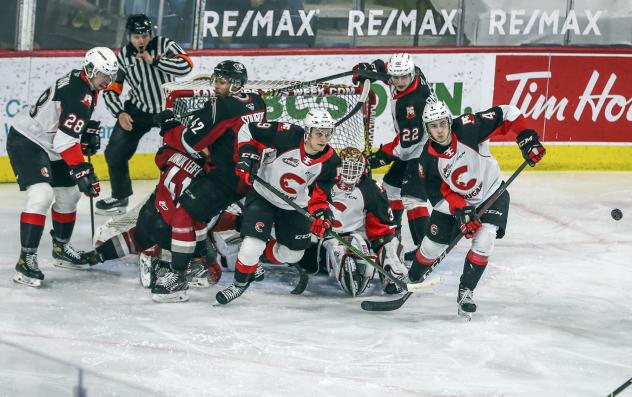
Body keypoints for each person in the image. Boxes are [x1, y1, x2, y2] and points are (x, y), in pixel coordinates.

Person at [408, 99, 546, 319]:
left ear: (449, 121)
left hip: (491, 193)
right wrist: (461, 211)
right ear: (427, 129)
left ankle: (466, 292)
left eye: (443, 123)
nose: (440, 130)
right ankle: (413, 278)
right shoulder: (427, 160)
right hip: (456, 205)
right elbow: (437, 198)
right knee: (432, 247)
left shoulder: (468, 127)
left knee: (485, 239)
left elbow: (508, 112)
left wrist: (526, 138)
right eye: (434, 126)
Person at [6, 47, 118, 287]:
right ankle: (26, 261)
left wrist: (83, 131)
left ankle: (61, 248)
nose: (107, 81)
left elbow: (64, 128)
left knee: (70, 194)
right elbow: (65, 140)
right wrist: (82, 170)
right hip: (28, 140)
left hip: (51, 143)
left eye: (110, 76)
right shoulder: (80, 93)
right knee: (41, 194)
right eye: (104, 76)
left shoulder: (85, 81)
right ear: (90, 70)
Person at [215, 110, 341, 305]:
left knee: (294, 253)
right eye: (319, 133)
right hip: (263, 196)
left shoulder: (331, 162)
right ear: (307, 132)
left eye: (327, 133)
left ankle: (258, 258)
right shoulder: (287, 134)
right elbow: (248, 129)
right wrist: (247, 157)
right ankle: (240, 284)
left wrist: (322, 216)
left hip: (294, 206)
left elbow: (321, 197)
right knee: (252, 245)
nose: (324, 138)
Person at [98, 13, 193, 214]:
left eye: (144, 35)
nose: (141, 40)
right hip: (138, 109)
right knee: (114, 152)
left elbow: (186, 65)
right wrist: (120, 113)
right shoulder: (123, 56)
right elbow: (111, 88)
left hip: (170, 108)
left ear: (151, 34)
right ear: (129, 36)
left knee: (189, 150)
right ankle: (120, 196)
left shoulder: (165, 45)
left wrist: (155, 61)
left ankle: (189, 196)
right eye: (136, 36)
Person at [160, 60, 267, 224]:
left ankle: (203, 246)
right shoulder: (258, 101)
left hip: (227, 179)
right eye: (216, 80)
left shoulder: (222, 106)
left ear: (236, 84)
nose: (216, 85)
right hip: (254, 176)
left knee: (184, 214)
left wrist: (170, 128)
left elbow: (190, 143)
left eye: (222, 82)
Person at [296, 147, 410, 296]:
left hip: (356, 236)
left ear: (362, 169)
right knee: (335, 253)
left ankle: (394, 275)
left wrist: (383, 246)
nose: (350, 173)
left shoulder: (371, 188)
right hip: (323, 238)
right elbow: (308, 206)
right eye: (347, 168)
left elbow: (382, 228)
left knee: (390, 244)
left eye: (355, 168)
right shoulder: (323, 181)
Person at [353, 53, 433, 256]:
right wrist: (366, 69)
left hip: (428, 147)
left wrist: (378, 157)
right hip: (415, 145)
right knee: (390, 190)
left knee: (413, 197)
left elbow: (406, 144)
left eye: (403, 77)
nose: (398, 82)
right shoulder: (408, 73)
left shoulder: (413, 102)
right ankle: (392, 239)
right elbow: (382, 66)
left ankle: (426, 251)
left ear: (412, 73)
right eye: (395, 77)